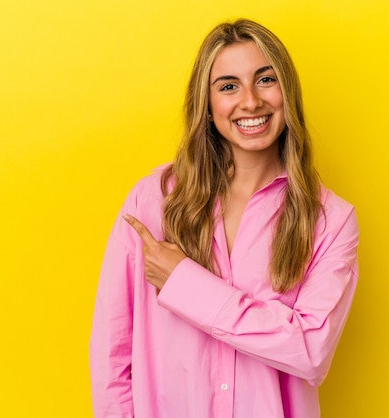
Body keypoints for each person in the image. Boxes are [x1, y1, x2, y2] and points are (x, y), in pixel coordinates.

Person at [89, 18, 359, 418]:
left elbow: (309, 351)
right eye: (229, 86)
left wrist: (185, 284)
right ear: (208, 103)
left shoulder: (330, 221)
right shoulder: (153, 201)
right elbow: (113, 354)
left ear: (288, 91)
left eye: (265, 79)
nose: (250, 101)